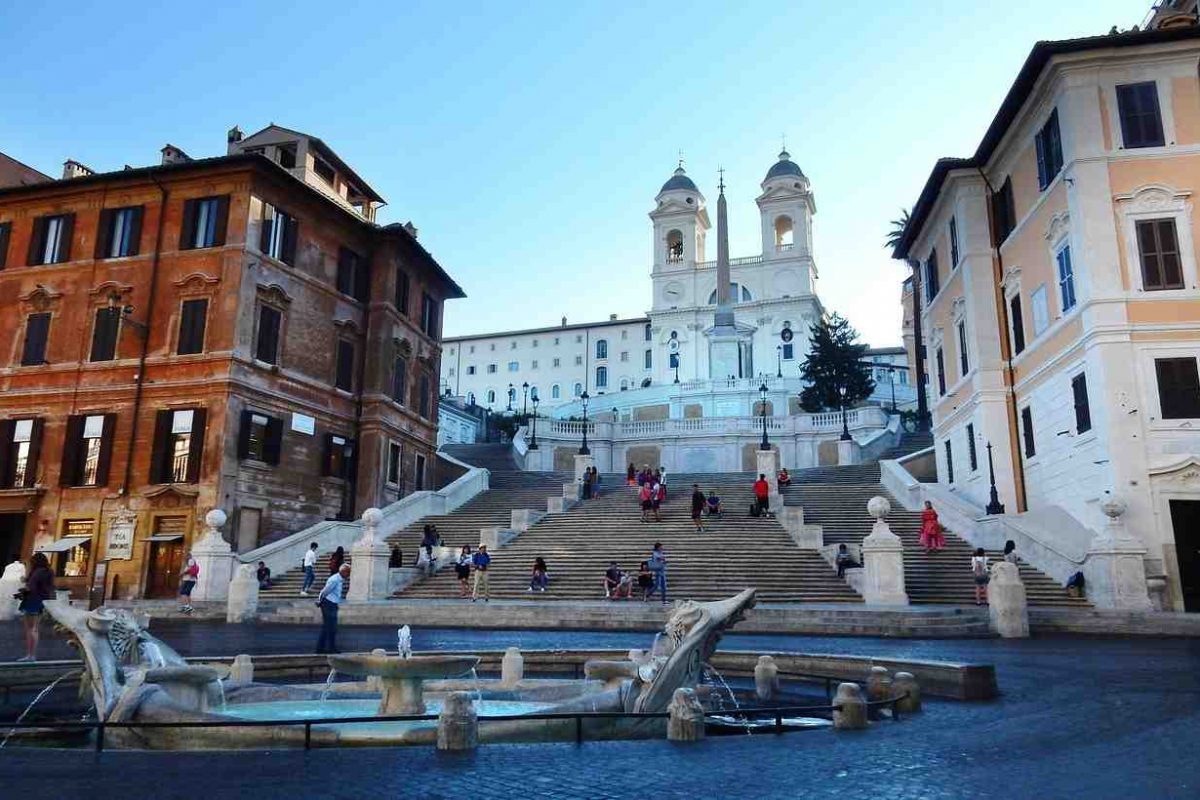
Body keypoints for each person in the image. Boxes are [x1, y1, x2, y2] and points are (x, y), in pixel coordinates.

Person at [17, 553, 54, 662]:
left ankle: (30, 654)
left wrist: (22, 591)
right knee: (35, 629)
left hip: (32, 600)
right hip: (42, 601)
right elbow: (50, 587)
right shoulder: (49, 572)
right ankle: (32, 655)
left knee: (29, 629)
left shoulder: (37, 572)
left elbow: (31, 588)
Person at [316, 563, 350, 654]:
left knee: (327, 627)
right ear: (343, 571)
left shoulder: (339, 579)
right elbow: (324, 591)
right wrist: (319, 601)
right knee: (331, 628)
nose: (349, 575)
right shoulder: (334, 580)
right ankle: (330, 648)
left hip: (332, 604)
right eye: (348, 572)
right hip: (328, 604)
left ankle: (321, 648)